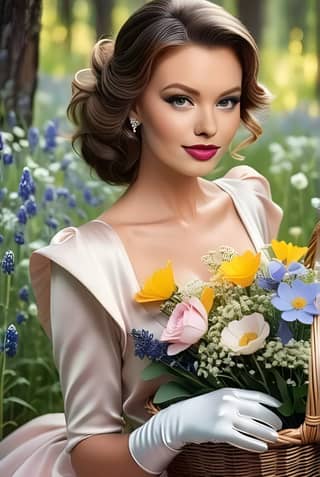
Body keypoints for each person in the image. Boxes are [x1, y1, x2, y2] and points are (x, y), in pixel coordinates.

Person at [0, 0, 284, 475]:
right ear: (133, 103)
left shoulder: (248, 200)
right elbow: (89, 452)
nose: (208, 126)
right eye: (180, 99)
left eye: (227, 101)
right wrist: (169, 430)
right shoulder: (87, 263)